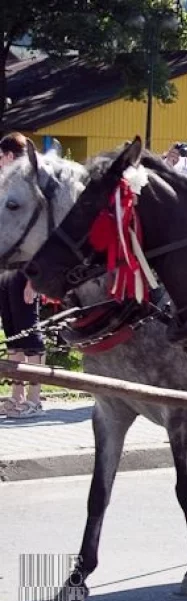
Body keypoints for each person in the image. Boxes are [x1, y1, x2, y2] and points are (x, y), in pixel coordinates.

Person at [0, 133, 45, 418]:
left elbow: (39, 237)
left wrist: (34, 280)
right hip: (7, 271)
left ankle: (35, 398)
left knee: (31, 336)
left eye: (3, 155)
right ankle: (15, 395)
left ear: (11, 156)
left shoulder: (30, 188)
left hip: (26, 269)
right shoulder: (8, 188)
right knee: (14, 334)